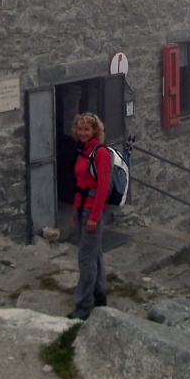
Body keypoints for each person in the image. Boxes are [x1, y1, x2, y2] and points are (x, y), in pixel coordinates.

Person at [68, 112, 110, 320]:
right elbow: (81, 184)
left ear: (95, 131)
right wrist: (75, 212)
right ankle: (99, 294)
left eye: (87, 129)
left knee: (86, 258)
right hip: (82, 208)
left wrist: (93, 217)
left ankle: (84, 304)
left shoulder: (100, 153)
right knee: (95, 254)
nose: (82, 132)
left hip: (93, 210)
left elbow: (102, 187)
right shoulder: (83, 150)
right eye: (80, 129)